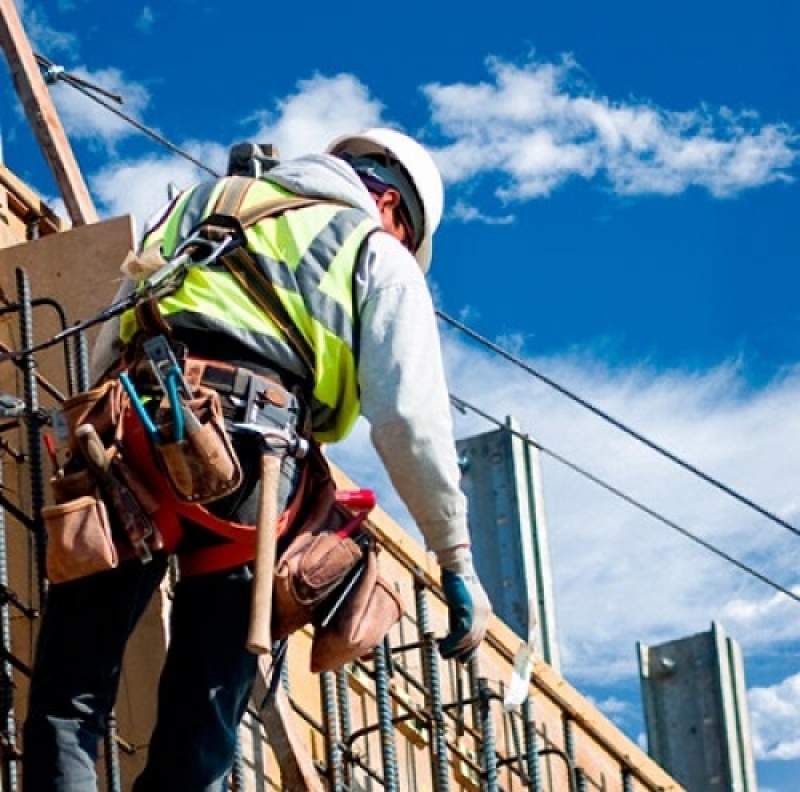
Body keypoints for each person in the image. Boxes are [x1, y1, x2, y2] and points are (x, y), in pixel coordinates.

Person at [22, 127, 492, 791]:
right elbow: (409, 416)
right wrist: (455, 557)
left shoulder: (204, 202)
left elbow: (118, 317)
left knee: (71, 697)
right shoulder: (374, 250)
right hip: (254, 478)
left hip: (137, 435)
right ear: (393, 207)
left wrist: (88, 439)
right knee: (200, 733)